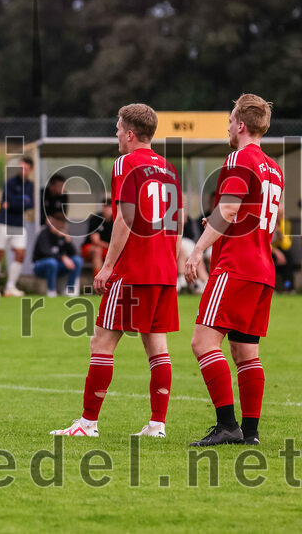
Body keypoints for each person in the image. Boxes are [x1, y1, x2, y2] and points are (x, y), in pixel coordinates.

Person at [51, 104, 183, 438]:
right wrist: (174, 263)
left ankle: (87, 424)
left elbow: (124, 217)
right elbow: (177, 222)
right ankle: (157, 424)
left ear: (130, 133)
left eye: (117, 126)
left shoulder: (125, 162)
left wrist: (107, 266)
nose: (115, 133)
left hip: (133, 269)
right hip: (163, 269)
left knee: (102, 342)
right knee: (157, 346)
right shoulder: (169, 169)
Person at [185, 93, 283, 446]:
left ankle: (227, 425)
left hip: (235, 266)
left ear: (241, 125)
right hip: (262, 269)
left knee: (202, 342)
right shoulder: (273, 167)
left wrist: (197, 249)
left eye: (229, 120)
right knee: (245, 352)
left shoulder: (239, 159)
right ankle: (251, 433)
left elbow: (227, 211)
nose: (228, 126)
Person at [0, 156, 35, 297]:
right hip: (3, 222)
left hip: (17, 224)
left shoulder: (30, 185)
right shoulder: (9, 183)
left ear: (30, 170)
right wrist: (22, 201)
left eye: (25, 168)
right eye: (21, 167)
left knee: (20, 253)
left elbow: (30, 204)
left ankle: (10, 287)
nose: (22, 170)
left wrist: (15, 202)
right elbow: (6, 203)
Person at [32, 212, 83, 297]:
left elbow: (73, 253)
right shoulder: (44, 234)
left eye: (61, 224)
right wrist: (62, 258)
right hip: (40, 265)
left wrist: (68, 241)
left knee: (77, 260)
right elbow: (45, 253)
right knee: (52, 262)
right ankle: (51, 290)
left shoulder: (63, 235)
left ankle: (70, 289)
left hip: (58, 266)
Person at [80, 198, 113, 274]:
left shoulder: (116, 221)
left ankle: (115, 281)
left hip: (108, 250)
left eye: (109, 207)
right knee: (97, 250)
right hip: (89, 248)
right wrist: (111, 247)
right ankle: (98, 280)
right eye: (105, 206)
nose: (106, 209)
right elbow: (95, 241)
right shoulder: (96, 219)